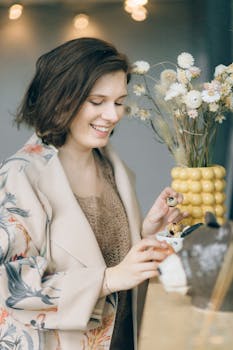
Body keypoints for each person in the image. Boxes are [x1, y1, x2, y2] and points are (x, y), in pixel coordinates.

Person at [0, 37, 187, 350]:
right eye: (97, 101)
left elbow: (112, 259)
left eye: (118, 101)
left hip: (127, 339)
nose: (113, 115)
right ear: (60, 99)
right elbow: (9, 285)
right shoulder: (20, 175)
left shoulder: (113, 166)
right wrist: (107, 279)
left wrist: (146, 232)